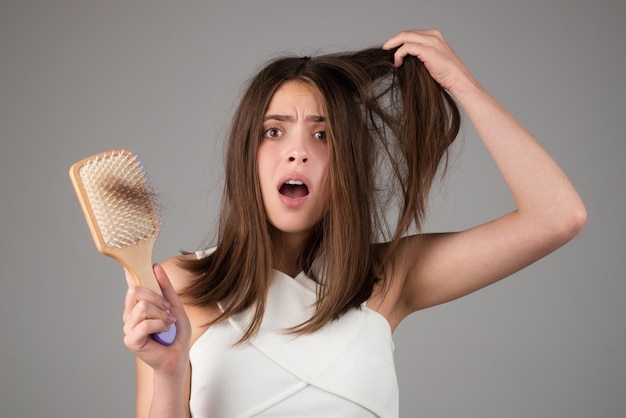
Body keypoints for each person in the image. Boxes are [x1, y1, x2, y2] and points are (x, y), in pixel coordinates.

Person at [122, 29, 587, 417]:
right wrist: (168, 371)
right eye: (274, 131)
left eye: (322, 135)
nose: (298, 150)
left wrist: (463, 84)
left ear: (346, 165)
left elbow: (558, 216)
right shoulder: (178, 287)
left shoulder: (388, 279)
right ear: (246, 156)